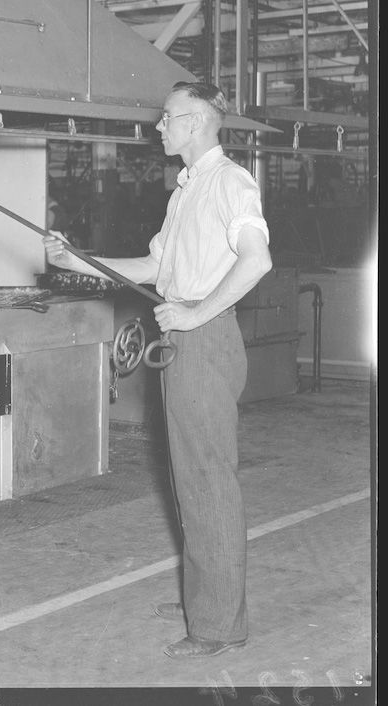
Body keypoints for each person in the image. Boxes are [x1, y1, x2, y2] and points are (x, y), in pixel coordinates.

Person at [43, 81, 273, 659]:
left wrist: (195, 312)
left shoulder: (231, 182)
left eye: (168, 117)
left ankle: (217, 623)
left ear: (195, 121)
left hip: (205, 338)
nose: (159, 126)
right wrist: (76, 260)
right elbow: (152, 265)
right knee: (188, 476)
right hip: (183, 337)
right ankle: (207, 594)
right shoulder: (186, 190)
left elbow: (257, 261)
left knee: (208, 479)